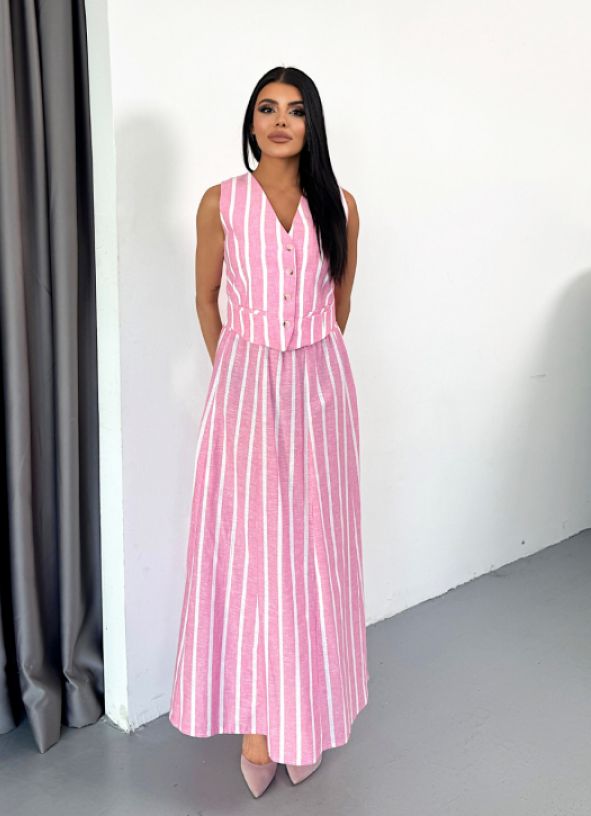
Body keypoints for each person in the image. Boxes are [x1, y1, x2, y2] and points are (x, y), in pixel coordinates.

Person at [168, 65, 368, 798]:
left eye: (296, 109)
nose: (281, 120)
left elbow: (340, 302)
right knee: (252, 553)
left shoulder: (340, 206)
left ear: (313, 125)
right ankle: (257, 725)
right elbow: (206, 296)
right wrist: (237, 368)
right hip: (245, 388)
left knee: (314, 550)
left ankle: (304, 717)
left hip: (320, 390)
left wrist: (307, 361)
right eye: (267, 108)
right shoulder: (220, 202)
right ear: (251, 122)